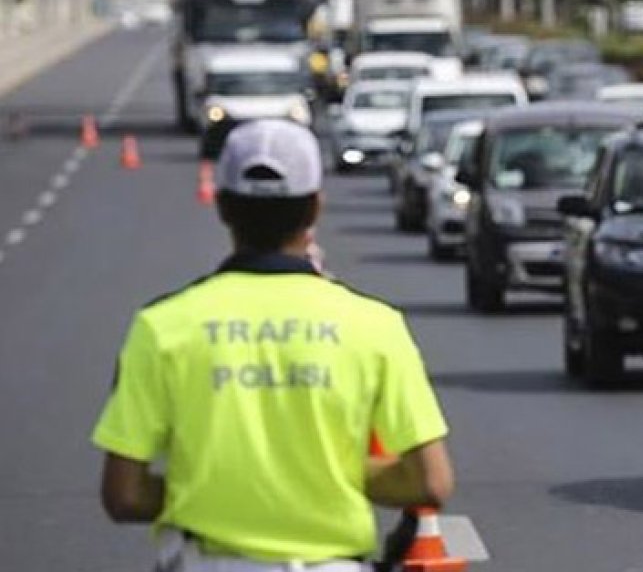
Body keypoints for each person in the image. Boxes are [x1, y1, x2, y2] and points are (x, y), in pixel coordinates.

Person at [91, 119, 454, 571]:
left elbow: (122, 495)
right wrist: (319, 478)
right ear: (315, 208)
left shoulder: (163, 326)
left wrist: (210, 489)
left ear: (222, 206)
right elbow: (431, 481)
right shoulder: (374, 325)